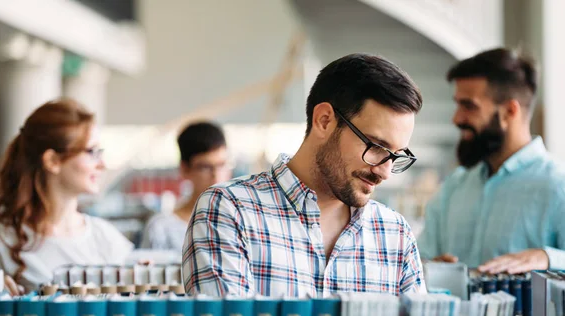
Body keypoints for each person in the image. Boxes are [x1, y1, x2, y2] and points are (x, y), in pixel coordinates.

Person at [182, 54, 426, 297]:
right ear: (324, 120)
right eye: (375, 147)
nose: (384, 172)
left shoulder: (395, 235)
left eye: (396, 155)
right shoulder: (229, 210)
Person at [418, 48, 565, 274]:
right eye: (457, 104)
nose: (456, 118)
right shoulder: (452, 188)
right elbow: (419, 260)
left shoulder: (559, 186)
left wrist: (548, 257)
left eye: (469, 106)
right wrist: (429, 268)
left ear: (509, 111)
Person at [0, 98, 133, 293]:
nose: (102, 164)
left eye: (100, 152)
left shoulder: (107, 239)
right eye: (91, 152)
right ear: (53, 160)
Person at [139, 121, 232, 252]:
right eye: (205, 167)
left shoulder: (238, 223)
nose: (216, 176)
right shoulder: (162, 229)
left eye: (222, 165)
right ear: (185, 169)